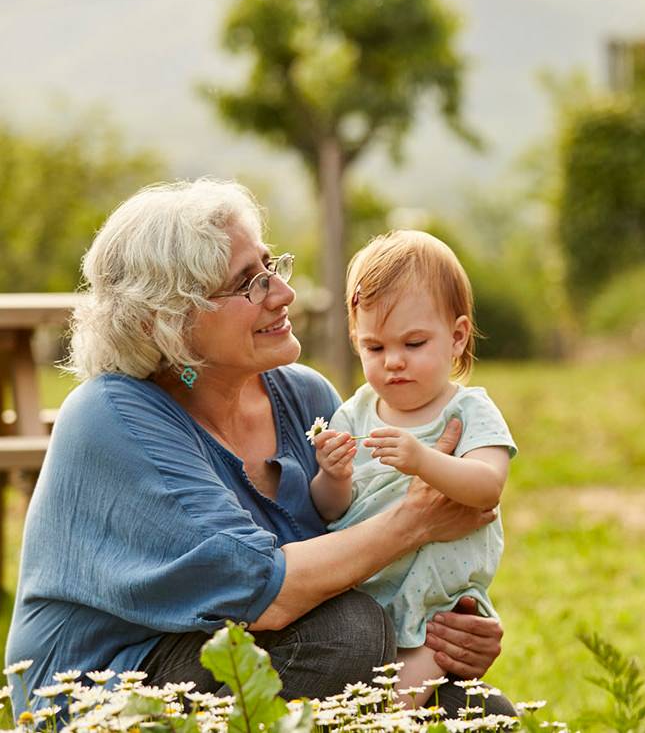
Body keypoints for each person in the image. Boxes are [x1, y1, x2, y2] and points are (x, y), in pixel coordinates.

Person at [5, 179, 515, 719]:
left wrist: (453, 622)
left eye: (272, 267)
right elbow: (263, 594)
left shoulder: (305, 396)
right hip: (108, 692)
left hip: (260, 654)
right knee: (349, 633)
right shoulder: (111, 416)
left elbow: (358, 544)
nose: (283, 293)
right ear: (169, 321)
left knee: (483, 715)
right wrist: (418, 520)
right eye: (249, 283)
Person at [309, 230, 515, 706]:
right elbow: (328, 510)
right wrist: (333, 477)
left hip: (437, 604)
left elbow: (487, 487)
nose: (394, 363)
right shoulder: (354, 412)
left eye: (414, 343)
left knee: (388, 704)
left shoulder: (468, 411)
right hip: (368, 588)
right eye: (375, 348)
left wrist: (425, 459)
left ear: (457, 337)